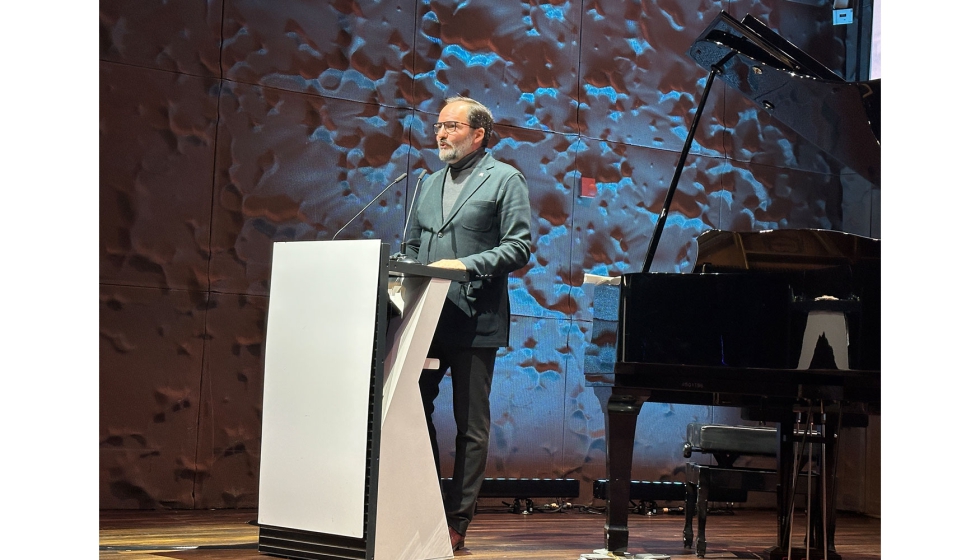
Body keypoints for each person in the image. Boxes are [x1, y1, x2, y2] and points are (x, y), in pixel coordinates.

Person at [403, 96, 532, 551]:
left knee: (469, 425)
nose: (440, 133)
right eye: (437, 125)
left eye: (451, 126)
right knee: (410, 413)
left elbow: (519, 247)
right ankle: (423, 504)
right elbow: (414, 244)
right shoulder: (428, 182)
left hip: (475, 319)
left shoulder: (505, 179)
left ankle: (458, 520)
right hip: (427, 317)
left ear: (478, 134)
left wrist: (466, 265)